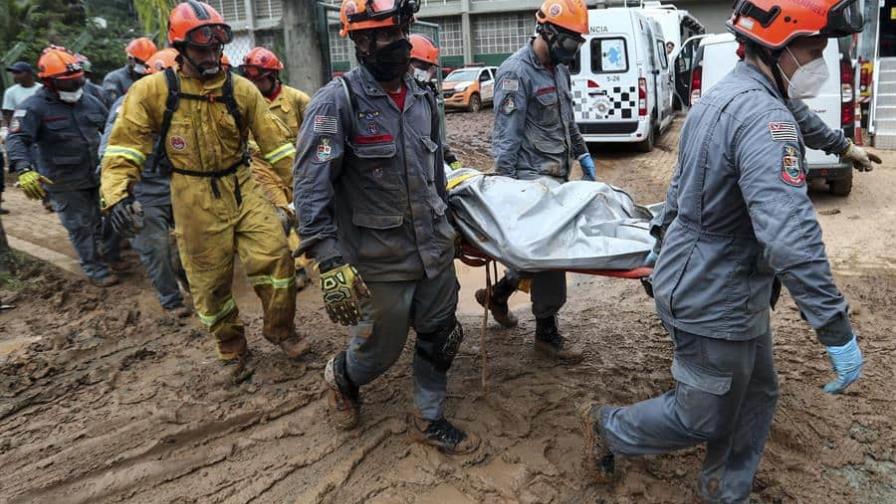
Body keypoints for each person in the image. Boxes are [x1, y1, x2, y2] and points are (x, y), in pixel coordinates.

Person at [579, 0, 866, 502]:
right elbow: (790, 239)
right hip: (713, 293)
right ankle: (609, 428)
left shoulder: (736, 90)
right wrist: (836, 330)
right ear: (781, 47)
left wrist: (843, 147)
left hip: (724, 281)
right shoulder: (762, 119)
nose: (821, 59)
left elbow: (798, 115)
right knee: (702, 415)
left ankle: (724, 490)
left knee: (757, 393)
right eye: (815, 49)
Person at [294, 0, 479, 454]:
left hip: (432, 250)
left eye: (396, 32)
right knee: (380, 350)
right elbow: (311, 187)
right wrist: (327, 256)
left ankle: (428, 416)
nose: (390, 44)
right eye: (376, 36)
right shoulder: (337, 103)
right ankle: (342, 376)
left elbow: (435, 174)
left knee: (442, 336)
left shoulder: (423, 98)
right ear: (357, 42)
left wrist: (453, 228)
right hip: (380, 259)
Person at [101, 1, 307, 364]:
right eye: (202, 48)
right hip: (191, 194)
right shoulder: (152, 92)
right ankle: (231, 345)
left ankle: (281, 331)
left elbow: (278, 150)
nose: (212, 55)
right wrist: (116, 196)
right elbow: (124, 148)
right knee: (209, 282)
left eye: (217, 47)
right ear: (180, 47)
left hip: (242, 185)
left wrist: (308, 194)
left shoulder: (240, 90)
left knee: (276, 257)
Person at [477, 0, 594, 361]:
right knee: (551, 252)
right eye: (570, 42)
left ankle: (499, 294)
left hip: (557, 176)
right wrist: (506, 195)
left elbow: (568, 120)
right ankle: (546, 333)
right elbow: (506, 138)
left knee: (538, 254)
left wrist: (583, 154)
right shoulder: (515, 73)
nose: (572, 50)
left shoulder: (558, 69)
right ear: (546, 32)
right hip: (530, 181)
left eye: (578, 43)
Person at [6, 46, 118, 287]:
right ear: (49, 83)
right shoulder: (33, 107)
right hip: (63, 179)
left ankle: (104, 255)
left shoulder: (90, 101)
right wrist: (24, 169)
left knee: (102, 220)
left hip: (96, 173)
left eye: (78, 80)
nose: (76, 87)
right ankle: (94, 268)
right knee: (79, 225)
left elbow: (112, 131)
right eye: (69, 83)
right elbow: (16, 138)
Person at [99, 48, 191, 317]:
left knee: (194, 244)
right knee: (156, 248)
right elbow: (109, 154)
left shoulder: (193, 101)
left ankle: (189, 280)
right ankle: (171, 299)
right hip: (146, 192)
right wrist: (118, 197)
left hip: (183, 188)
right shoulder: (126, 106)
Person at [239, 46, 315, 290]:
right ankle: (298, 269)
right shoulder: (246, 103)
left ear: (272, 76)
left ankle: (317, 258)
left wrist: (320, 160)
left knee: (304, 217)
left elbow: (321, 131)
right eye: (251, 79)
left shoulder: (297, 99)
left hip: (297, 169)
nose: (254, 83)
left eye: (259, 79)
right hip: (262, 170)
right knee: (281, 217)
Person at [408, 33, 463, 169]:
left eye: (430, 67)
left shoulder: (427, 97)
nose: (427, 71)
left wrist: (451, 160)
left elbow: (434, 138)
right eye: (422, 66)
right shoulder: (392, 100)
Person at [1, 61, 43, 214]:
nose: (14, 75)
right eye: (14, 72)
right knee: (30, 162)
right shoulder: (11, 92)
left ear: (28, 73)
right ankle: (46, 196)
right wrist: (9, 129)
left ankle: (50, 198)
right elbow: (8, 113)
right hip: (24, 132)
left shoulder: (41, 89)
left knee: (46, 164)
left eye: (18, 72)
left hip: (43, 133)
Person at [102, 37, 157, 104]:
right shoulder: (114, 79)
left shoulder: (154, 79)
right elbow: (114, 106)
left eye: (147, 62)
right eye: (140, 62)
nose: (144, 65)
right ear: (130, 58)